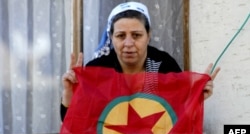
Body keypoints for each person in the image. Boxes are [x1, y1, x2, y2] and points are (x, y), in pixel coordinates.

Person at [60, 1, 220, 121]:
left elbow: (179, 119)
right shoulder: (97, 70)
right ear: (111, 37)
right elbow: (75, 125)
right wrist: (69, 96)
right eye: (121, 36)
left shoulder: (164, 66)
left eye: (136, 35)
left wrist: (196, 99)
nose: (128, 43)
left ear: (148, 35)